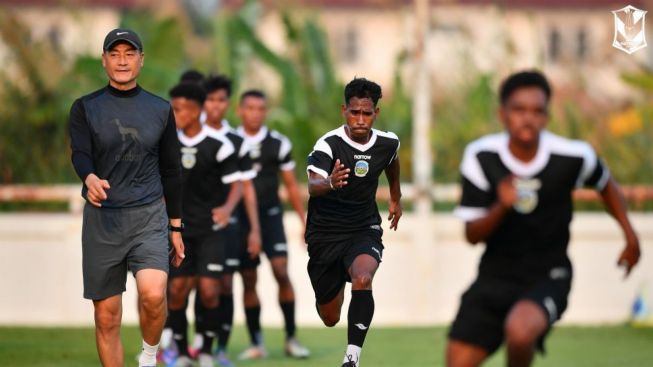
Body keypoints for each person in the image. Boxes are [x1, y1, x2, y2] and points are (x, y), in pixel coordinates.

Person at [447, 70, 641, 367]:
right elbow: (472, 235)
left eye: (537, 111)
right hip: (494, 276)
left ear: (547, 116)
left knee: (520, 330)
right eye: (519, 110)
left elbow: (605, 183)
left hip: (549, 274)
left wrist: (630, 235)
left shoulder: (573, 156)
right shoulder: (481, 157)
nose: (528, 118)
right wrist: (501, 205)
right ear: (502, 114)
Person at [68, 28, 185, 367]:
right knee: (107, 316)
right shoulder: (85, 108)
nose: (122, 60)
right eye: (115, 54)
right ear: (104, 60)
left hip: (148, 216)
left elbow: (172, 170)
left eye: (129, 53)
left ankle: (148, 356)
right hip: (102, 219)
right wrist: (89, 177)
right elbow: (80, 154)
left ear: (141, 60)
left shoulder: (160, 110)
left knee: (152, 295)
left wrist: (175, 227)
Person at [306, 77, 402, 367]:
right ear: (344, 110)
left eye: (367, 113)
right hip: (325, 234)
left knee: (363, 278)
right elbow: (312, 184)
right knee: (330, 317)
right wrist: (331, 183)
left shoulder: (387, 142)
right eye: (354, 112)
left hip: (363, 228)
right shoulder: (329, 144)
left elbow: (392, 162)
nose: (360, 120)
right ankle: (329, 289)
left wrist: (396, 196)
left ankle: (352, 359)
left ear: (376, 113)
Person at [167, 81, 242, 367]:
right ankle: (183, 353)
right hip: (179, 231)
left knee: (210, 292)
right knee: (176, 292)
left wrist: (226, 208)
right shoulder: (168, 144)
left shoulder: (219, 145)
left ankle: (207, 351)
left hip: (211, 231)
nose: (174, 114)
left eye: (179, 109)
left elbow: (236, 185)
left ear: (196, 110)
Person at [235, 90, 310, 359]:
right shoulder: (230, 142)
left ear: (265, 112)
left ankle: (291, 337)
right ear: (240, 110)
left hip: (271, 218)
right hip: (240, 221)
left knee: (281, 271)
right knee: (248, 280)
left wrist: (305, 222)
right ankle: (256, 342)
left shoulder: (278, 143)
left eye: (260, 108)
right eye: (250, 108)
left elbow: (291, 185)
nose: (255, 113)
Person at [201, 74, 263, 366]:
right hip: (194, 223)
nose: (216, 105)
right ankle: (193, 343)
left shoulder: (237, 141)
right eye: (210, 99)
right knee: (194, 286)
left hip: (229, 225)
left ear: (228, 103)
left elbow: (247, 187)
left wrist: (255, 231)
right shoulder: (189, 135)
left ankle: (219, 348)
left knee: (224, 285)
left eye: (221, 99)